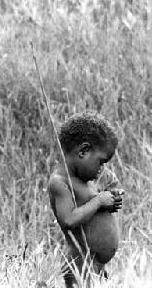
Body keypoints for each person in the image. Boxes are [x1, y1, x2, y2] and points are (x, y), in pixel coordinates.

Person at [48, 112, 124, 287]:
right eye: (101, 162)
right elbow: (69, 219)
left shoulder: (84, 180)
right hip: (78, 263)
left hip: (94, 264)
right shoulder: (59, 182)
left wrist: (109, 202)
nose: (101, 168)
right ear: (83, 151)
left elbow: (90, 209)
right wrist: (98, 202)